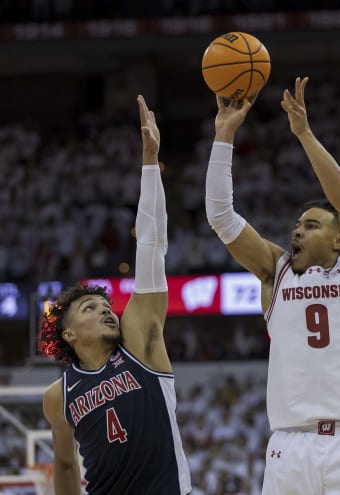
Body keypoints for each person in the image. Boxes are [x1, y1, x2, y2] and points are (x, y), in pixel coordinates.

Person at [205, 76, 340, 494]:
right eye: (297, 226)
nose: (298, 232)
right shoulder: (276, 271)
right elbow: (221, 216)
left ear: (339, 239)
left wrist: (304, 134)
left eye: (311, 225)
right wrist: (224, 137)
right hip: (289, 442)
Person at [39, 95, 192, 495]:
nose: (107, 310)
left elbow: (152, 245)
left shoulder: (139, 341)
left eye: (107, 305)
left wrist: (150, 162)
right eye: (91, 308)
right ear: (68, 333)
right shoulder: (59, 396)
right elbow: (65, 462)